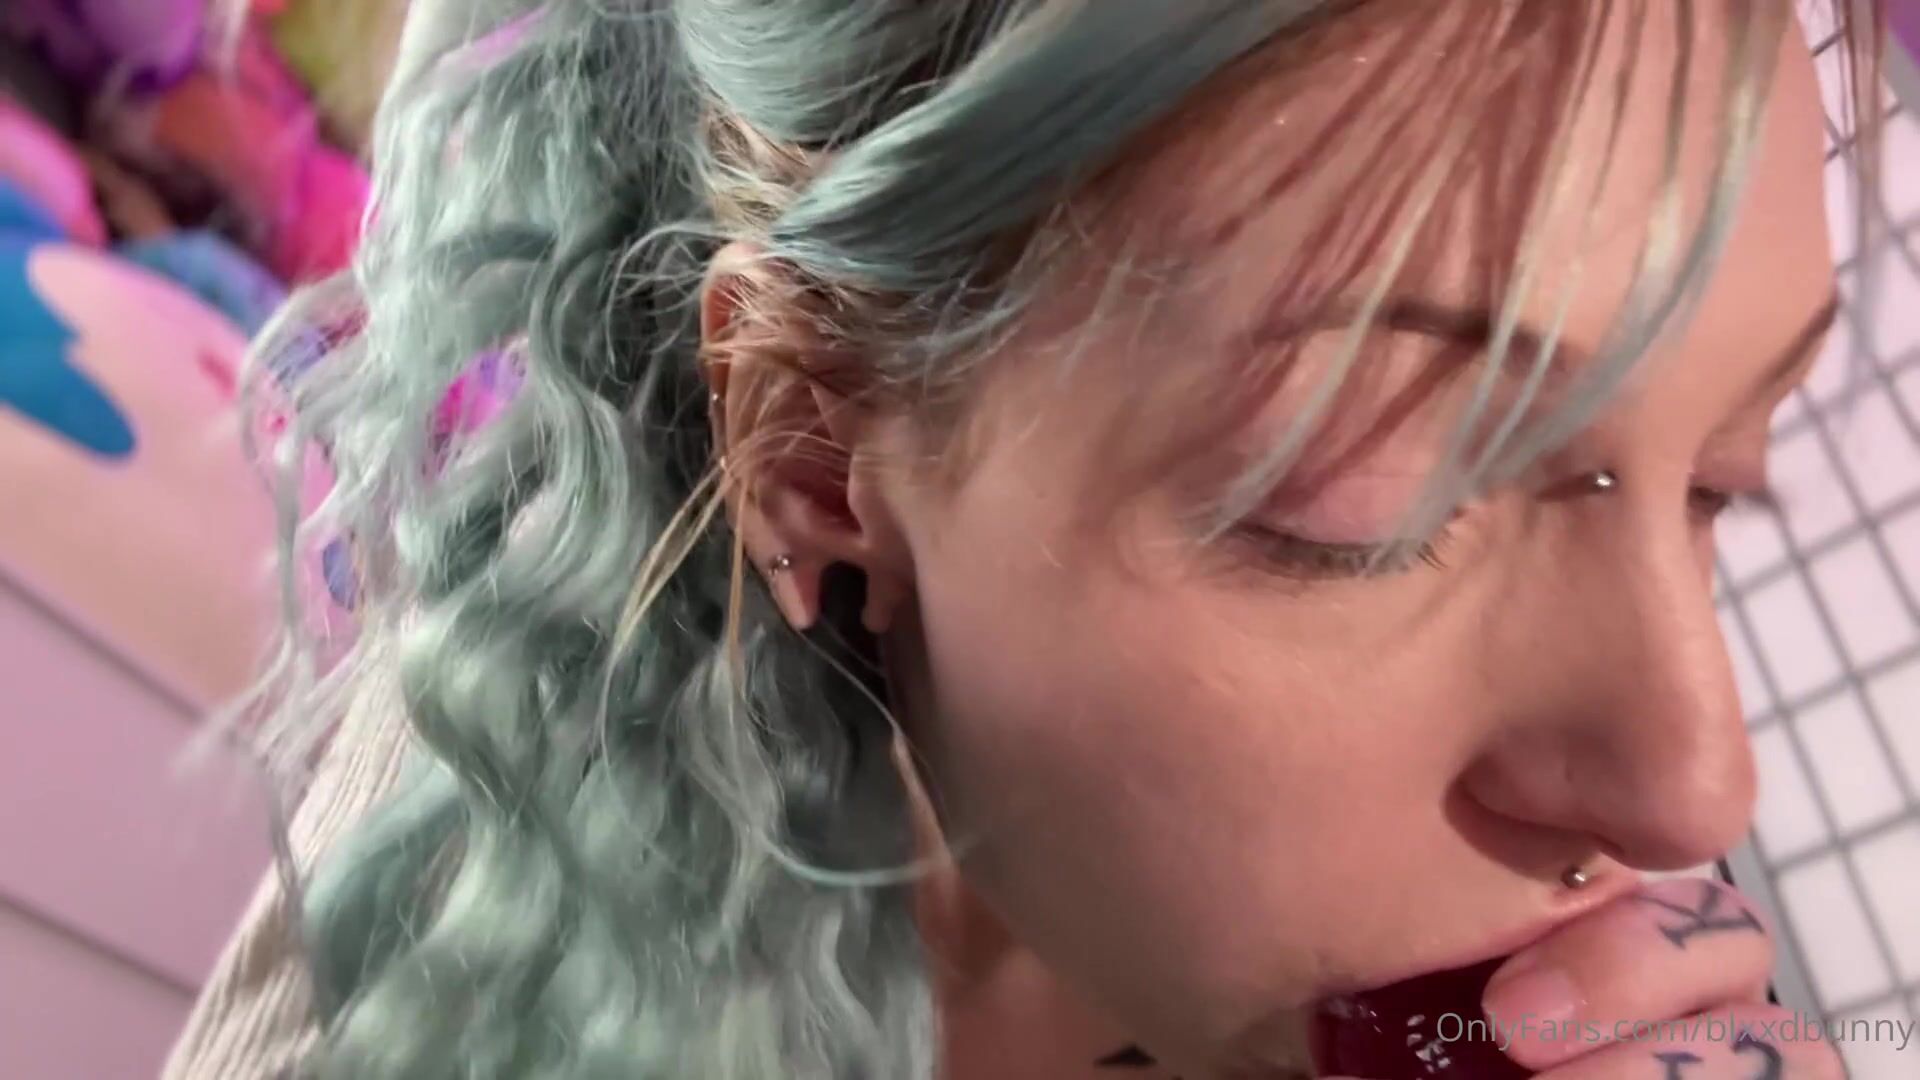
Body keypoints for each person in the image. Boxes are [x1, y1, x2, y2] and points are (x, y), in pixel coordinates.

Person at [169, 2, 1886, 1078]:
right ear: (815, 457)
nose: (1695, 788)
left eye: (1719, 478)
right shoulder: (482, 903)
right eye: (1382, 507)